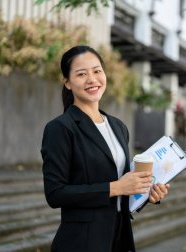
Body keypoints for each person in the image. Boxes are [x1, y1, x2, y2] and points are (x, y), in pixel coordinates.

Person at [41, 45, 170, 252]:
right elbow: (55, 193)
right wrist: (117, 187)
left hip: (120, 237)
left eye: (97, 71)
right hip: (82, 242)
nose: (92, 79)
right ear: (67, 83)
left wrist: (147, 193)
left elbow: (123, 188)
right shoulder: (60, 128)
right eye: (82, 74)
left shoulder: (118, 126)